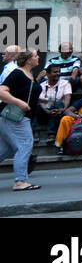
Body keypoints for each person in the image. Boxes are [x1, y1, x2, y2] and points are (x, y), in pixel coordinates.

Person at [0, 49, 41, 190]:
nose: (38, 57)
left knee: (5, 150)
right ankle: (20, 181)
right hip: (16, 118)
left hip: (18, 118)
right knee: (25, 145)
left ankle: (20, 180)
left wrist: (41, 99)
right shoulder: (17, 73)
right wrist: (19, 102)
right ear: (29, 60)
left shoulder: (30, 74)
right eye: (36, 55)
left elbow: (25, 93)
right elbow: (1, 91)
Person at [34, 62, 72, 141]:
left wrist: (63, 109)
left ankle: (51, 133)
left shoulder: (65, 83)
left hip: (58, 111)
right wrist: (47, 111)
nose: (58, 74)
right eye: (55, 72)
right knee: (35, 105)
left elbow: (67, 98)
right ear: (47, 74)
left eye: (59, 72)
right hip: (45, 111)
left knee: (58, 103)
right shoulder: (42, 85)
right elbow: (40, 101)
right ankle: (35, 132)